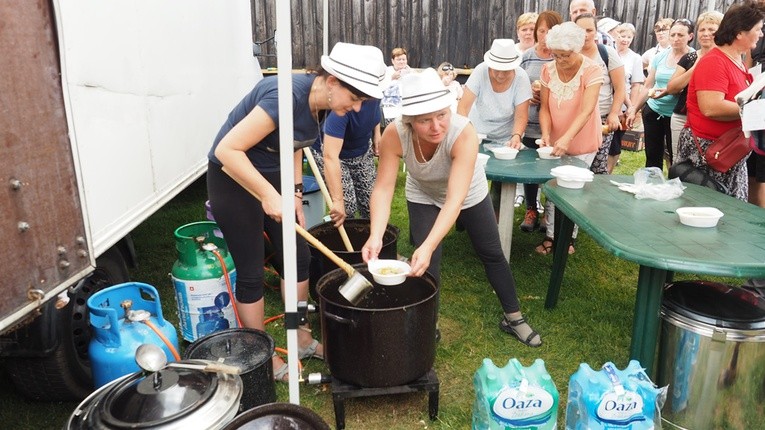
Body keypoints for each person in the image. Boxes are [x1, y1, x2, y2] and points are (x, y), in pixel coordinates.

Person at [207, 42, 385, 381]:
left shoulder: (323, 105)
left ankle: (300, 335)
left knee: (299, 259)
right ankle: (264, 355)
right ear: (333, 81)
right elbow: (227, 149)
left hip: (271, 180)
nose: (358, 106)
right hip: (233, 179)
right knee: (251, 271)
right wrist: (267, 195)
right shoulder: (284, 96)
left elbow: (294, 146)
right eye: (356, 97)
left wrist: (293, 193)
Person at [362, 68, 542, 347]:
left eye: (441, 115)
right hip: (422, 191)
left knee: (492, 253)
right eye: (425, 121)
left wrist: (430, 243)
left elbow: (455, 200)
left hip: (467, 193)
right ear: (409, 121)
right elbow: (384, 188)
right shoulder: (395, 134)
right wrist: (376, 234)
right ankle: (426, 322)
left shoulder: (462, 132)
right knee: (427, 263)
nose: (436, 126)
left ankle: (513, 316)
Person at [675, 1, 764, 201]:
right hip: (709, 154)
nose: (761, 34)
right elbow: (711, 107)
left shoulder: (737, 61)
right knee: (705, 208)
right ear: (740, 32)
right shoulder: (714, 61)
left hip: (728, 150)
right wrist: (755, 110)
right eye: (758, 29)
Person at [536, 22, 604, 255]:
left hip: (582, 137)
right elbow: (544, 108)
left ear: (577, 50)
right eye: (555, 55)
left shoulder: (592, 70)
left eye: (564, 56)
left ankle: (568, 238)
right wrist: (546, 134)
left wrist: (567, 138)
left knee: (574, 187)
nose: (559, 60)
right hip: (556, 137)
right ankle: (551, 235)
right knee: (553, 187)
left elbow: (587, 110)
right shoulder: (548, 70)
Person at [627, 18, 694, 169]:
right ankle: (652, 187)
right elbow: (647, 86)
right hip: (653, 110)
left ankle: (673, 188)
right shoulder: (660, 57)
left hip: (677, 115)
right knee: (652, 156)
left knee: (675, 157)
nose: (676, 39)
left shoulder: (694, 58)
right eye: (673, 34)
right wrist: (634, 109)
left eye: (681, 35)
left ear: (690, 36)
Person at [518, 10, 564, 232]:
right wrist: (530, 93)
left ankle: (550, 214)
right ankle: (530, 210)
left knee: (550, 170)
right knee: (529, 170)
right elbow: (517, 85)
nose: (545, 36)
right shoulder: (527, 56)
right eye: (541, 31)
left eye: (550, 31)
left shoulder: (562, 56)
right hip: (530, 121)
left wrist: (547, 94)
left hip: (555, 125)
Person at [310, 98, 381, 223]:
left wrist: (377, 134)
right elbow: (330, 156)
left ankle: (370, 238)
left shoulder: (375, 93)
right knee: (346, 208)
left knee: (372, 204)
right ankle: (346, 238)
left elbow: (374, 112)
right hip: (332, 154)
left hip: (362, 149)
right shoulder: (343, 106)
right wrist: (338, 201)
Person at [574, 13, 626, 175]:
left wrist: (614, 114)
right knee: (572, 164)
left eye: (589, 30)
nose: (585, 34)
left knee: (597, 167)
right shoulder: (569, 55)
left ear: (596, 32)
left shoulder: (607, 53)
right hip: (574, 118)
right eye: (580, 30)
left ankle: (593, 199)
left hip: (601, 120)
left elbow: (620, 88)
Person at [666, 12, 724, 152]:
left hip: (710, 120)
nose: (705, 33)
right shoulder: (689, 58)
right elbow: (672, 87)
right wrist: (696, 67)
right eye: (702, 29)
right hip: (682, 117)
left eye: (711, 30)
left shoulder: (725, 59)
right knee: (678, 163)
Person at [458, 39, 531, 148]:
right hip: (477, 134)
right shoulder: (480, 71)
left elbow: (521, 115)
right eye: (496, 70)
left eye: (506, 71)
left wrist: (516, 136)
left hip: (507, 139)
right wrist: (466, 132)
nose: (501, 75)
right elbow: (463, 108)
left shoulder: (521, 77)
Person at [609, 23, 645, 173]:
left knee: (616, 143)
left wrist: (632, 107)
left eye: (629, 37)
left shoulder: (635, 58)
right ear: (615, 36)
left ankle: (608, 172)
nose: (625, 40)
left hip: (623, 108)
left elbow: (635, 85)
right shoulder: (609, 53)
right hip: (605, 104)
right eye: (622, 36)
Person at [381, 47, 412, 125]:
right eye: (398, 59)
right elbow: (380, 88)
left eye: (403, 59)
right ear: (392, 61)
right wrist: (391, 78)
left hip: (406, 108)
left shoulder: (411, 73)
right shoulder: (386, 72)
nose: (402, 62)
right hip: (389, 109)